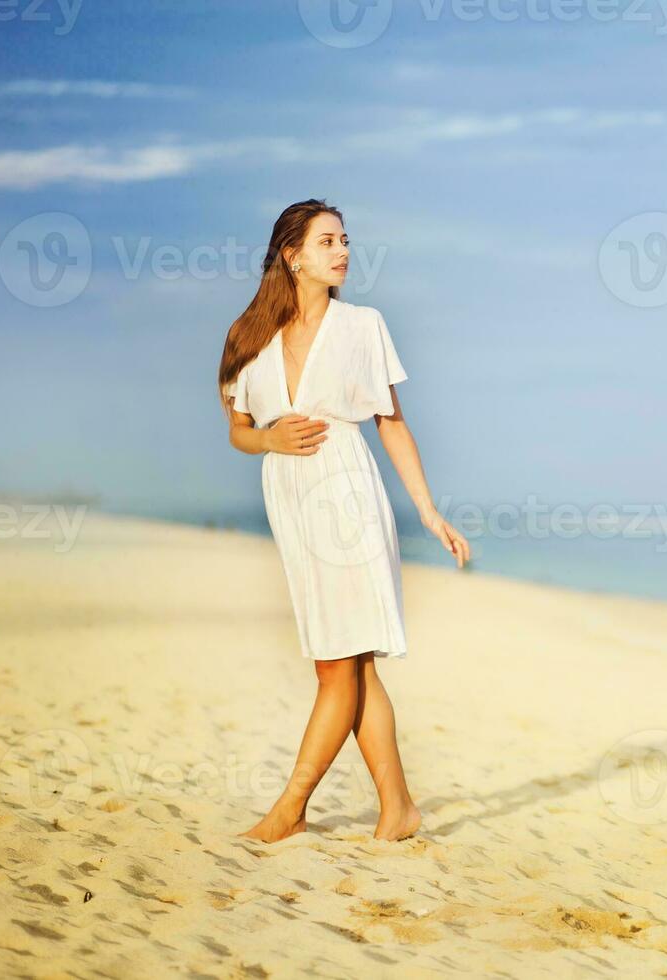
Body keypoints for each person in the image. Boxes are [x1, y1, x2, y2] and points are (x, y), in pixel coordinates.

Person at [217, 198, 470, 843]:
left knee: (337, 664)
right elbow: (239, 433)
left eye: (345, 240)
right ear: (291, 255)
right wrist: (271, 441)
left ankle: (291, 807)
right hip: (293, 506)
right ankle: (399, 810)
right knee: (351, 666)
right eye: (327, 241)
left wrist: (429, 510)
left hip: (350, 499)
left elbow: (391, 423)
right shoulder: (249, 338)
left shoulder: (363, 326)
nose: (343, 251)